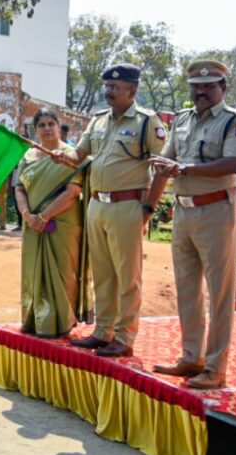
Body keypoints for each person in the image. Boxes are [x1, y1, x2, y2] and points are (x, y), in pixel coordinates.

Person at [51, 64, 168, 358]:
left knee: (128, 276)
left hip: (128, 205)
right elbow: (79, 155)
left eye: (115, 87)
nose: (108, 92)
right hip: (97, 205)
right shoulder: (99, 121)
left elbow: (163, 169)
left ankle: (125, 338)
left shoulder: (146, 123)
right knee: (102, 274)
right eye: (106, 87)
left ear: (132, 90)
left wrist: (148, 210)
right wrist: (61, 155)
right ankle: (103, 332)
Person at [149, 61, 236, 389]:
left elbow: (233, 163)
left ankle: (215, 367)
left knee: (220, 292)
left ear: (223, 87)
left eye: (208, 86)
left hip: (216, 210)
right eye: (196, 86)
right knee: (187, 289)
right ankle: (191, 357)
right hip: (183, 212)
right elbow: (168, 160)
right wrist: (156, 186)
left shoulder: (234, 121)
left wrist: (184, 168)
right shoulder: (181, 119)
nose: (201, 92)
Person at [13, 109, 85, 337]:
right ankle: (34, 320)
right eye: (41, 125)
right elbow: (19, 188)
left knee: (63, 272)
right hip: (32, 225)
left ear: (58, 126)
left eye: (50, 124)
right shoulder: (28, 157)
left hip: (61, 224)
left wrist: (44, 217)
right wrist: (27, 216)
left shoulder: (70, 155)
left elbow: (73, 192)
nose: (46, 129)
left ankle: (61, 322)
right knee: (33, 272)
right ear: (36, 130)